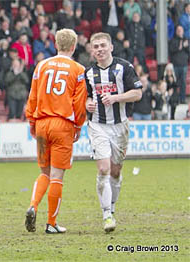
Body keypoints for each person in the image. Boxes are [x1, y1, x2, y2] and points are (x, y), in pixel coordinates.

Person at [24, 28, 87, 234]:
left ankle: (33, 205)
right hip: (62, 125)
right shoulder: (78, 70)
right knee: (57, 176)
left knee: (44, 172)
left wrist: (32, 122)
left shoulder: (41, 66)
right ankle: (51, 223)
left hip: (42, 123)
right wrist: (78, 125)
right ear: (73, 46)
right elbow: (79, 103)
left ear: (56, 44)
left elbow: (32, 97)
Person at [85, 32, 142, 233]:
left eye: (102, 45)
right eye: (96, 46)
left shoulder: (124, 67)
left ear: (111, 47)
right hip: (97, 125)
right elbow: (85, 97)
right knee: (103, 169)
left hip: (120, 126)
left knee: (116, 172)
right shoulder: (88, 73)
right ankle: (107, 214)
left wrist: (116, 98)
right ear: (92, 50)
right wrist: (88, 103)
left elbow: (137, 93)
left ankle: (112, 207)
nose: (99, 49)